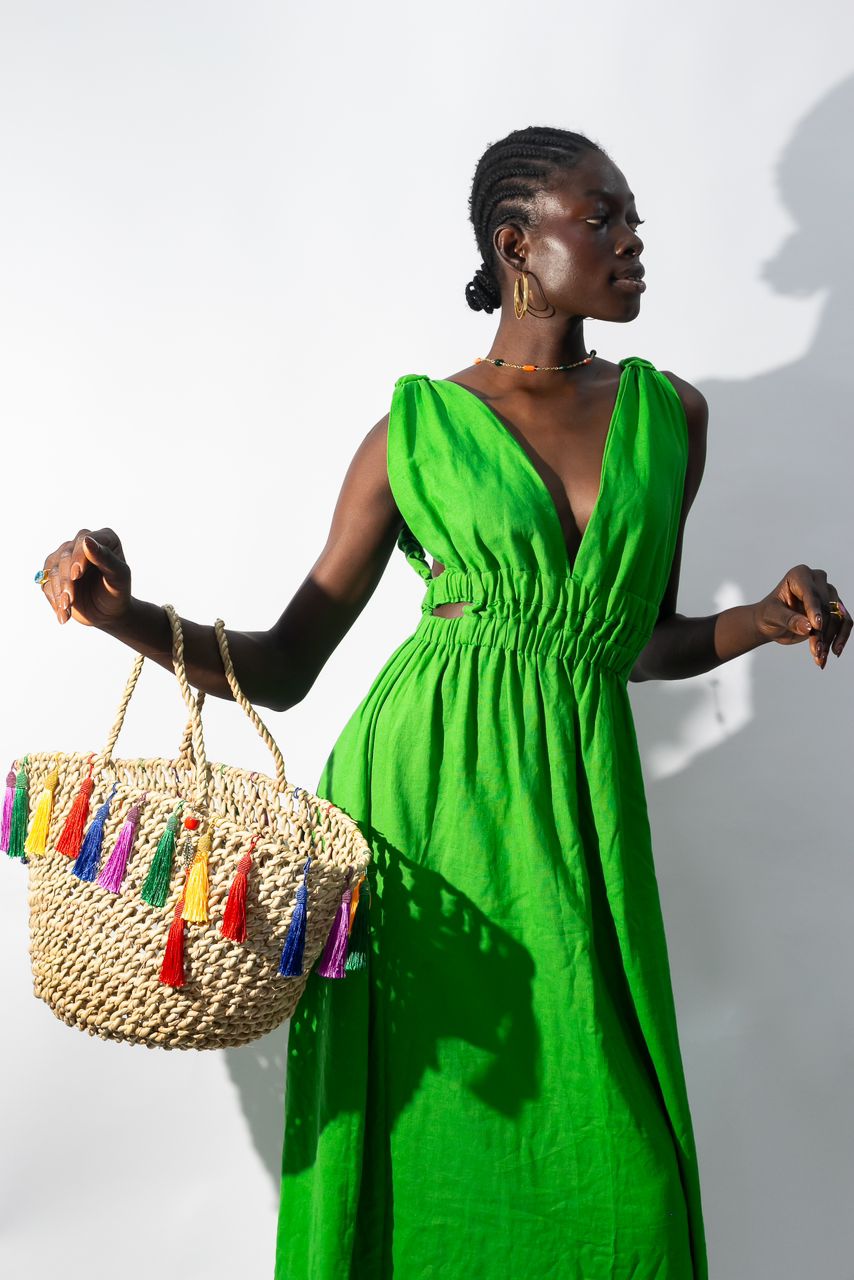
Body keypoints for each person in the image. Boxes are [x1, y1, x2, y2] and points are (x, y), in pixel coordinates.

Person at [38, 125, 849, 1279]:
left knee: (624, 1168)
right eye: (600, 219)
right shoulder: (410, 432)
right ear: (516, 244)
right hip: (418, 814)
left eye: (633, 222)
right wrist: (124, 612)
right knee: (420, 1130)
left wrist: (760, 620)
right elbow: (283, 662)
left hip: (575, 811)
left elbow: (624, 640)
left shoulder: (670, 416)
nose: (630, 244)